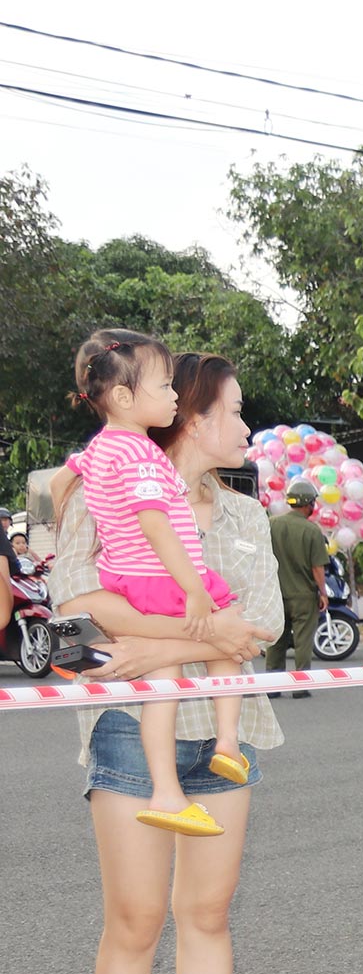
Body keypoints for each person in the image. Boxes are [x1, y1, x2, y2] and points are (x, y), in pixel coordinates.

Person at [50, 349, 289, 974]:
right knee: (134, 921)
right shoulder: (104, 485)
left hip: (227, 730)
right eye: (234, 409)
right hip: (127, 725)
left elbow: (257, 624)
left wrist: (159, 643)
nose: (246, 426)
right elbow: (77, 605)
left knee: (209, 914)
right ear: (190, 414)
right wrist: (201, 636)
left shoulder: (246, 516)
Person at [65, 330, 247, 836]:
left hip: (126, 577)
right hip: (160, 576)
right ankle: (228, 742)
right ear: (124, 397)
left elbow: (73, 470)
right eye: (165, 387)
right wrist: (193, 588)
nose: (173, 396)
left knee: (162, 689)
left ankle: (166, 792)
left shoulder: (103, 449)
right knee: (227, 642)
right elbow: (155, 524)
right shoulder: (142, 455)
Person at [265, 479, 328, 697]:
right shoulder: (312, 531)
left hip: (275, 593)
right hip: (303, 596)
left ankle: (273, 686)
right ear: (308, 503)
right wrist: (323, 592)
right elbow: (317, 568)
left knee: (275, 640)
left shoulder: (271, 524)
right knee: (303, 641)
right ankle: (300, 686)